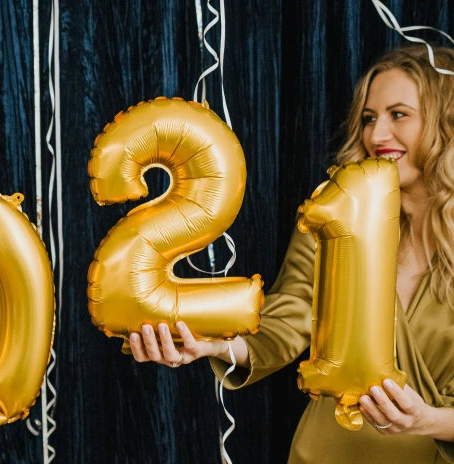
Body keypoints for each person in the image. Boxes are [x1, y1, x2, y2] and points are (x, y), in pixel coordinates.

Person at [128, 45, 454, 463]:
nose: (376, 136)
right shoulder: (337, 216)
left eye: (399, 114)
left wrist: (428, 420)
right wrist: (216, 343)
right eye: (369, 119)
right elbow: (289, 318)